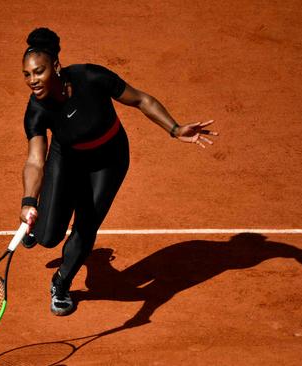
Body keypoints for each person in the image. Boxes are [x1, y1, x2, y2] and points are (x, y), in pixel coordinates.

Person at [18, 27, 218, 316]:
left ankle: (61, 283)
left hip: (108, 161)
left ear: (56, 67)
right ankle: (45, 220)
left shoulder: (91, 77)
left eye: (38, 72)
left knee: (87, 226)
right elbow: (36, 160)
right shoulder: (36, 110)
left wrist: (174, 128)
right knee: (49, 237)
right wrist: (28, 201)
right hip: (67, 160)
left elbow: (140, 100)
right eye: (27, 74)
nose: (32, 81)